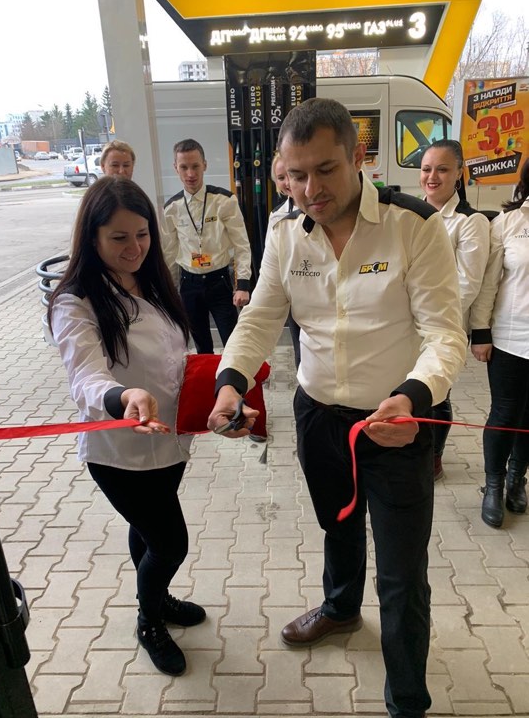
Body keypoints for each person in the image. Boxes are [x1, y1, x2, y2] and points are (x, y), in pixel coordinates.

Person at [207, 98, 467, 718]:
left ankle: (408, 700)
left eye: (325, 170)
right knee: (337, 524)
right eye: (296, 176)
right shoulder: (283, 234)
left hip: (396, 422)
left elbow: (445, 336)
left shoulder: (412, 226)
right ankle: (341, 607)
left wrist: (414, 396)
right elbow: (260, 319)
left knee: (402, 573)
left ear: (358, 156)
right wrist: (230, 382)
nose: (310, 190)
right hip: (319, 417)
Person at [48, 176, 205, 677]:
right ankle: (148, 621)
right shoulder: (76, 301)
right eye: (119, 237)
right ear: (92, 238)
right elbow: (86, 376)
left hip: (168, 441)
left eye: (142, 234)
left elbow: (176, 353)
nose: (134, 247)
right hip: (118, 450)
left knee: (148, 531)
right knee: (171, 542)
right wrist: (123, 397)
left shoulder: (153, 282)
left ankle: (156, 598)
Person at [420, 139, 490, 480]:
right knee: (407, 390)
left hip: (441, 326)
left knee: (435, 392)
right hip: (402, 322)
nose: (432, 177)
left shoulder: (469, 222)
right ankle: (411, 452)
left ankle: (433, 457)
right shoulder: (407, 213)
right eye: (426, 169)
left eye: (442, 169)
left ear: (459, 174)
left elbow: (468, 283)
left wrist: (428, 315)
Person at [470, 158, 529, 528]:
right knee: (505, 413)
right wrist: (480, 331)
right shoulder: (508, 223)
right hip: (511, 337)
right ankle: (493, 485)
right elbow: (488, 283)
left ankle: (516, 479)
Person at [163, 138, 252, 354]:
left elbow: (241, 244)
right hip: (189, 284)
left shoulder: (224, 200)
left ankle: (233, 376)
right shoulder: (171, 208)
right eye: (184, 167)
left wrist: (243, 284)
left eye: (195, 166)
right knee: (202, 347)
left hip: (219, 281)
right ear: (176, 168)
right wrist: (169, 291)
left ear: (205, 165)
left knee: (233, 344)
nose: (190, 173)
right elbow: (169, 252)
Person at [268, 153, 300, 368]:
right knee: (300, 347)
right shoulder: (277, 216)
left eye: (291, 174)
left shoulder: (322, 211)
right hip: (295, 292)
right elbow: (273, 259)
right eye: (280, 178)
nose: (287, 182)